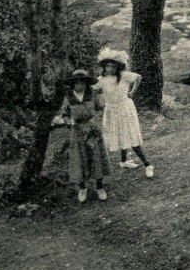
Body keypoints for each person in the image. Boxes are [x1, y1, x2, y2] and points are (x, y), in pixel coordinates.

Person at [96, 47, 156, 178]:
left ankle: (148, 164)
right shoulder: (101, 79)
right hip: (111, 110)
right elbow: (93, 89)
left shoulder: (123, 76)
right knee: (120, 134)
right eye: (107, 66)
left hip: (125, 108)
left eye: (113, 66)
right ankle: (123, 161)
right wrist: (99, 102)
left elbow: (138, 77)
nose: (110, 69)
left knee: (130, 135)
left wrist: (132, 92)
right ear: (104, 68)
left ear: (117, 67)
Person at [57, 69, 109, 202]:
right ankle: (82, 188)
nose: (80, 86)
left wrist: (96, 122)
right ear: (73, 84)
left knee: (96, 155)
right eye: (78, 83)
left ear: (87, 84)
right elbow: (65, 114)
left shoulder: (92, 94)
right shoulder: (68, 97)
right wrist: (70, 122)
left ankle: (99, 186)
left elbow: (100, 108)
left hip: (91, 129)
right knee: (79, 157)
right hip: (77, 131)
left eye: (83, 83)